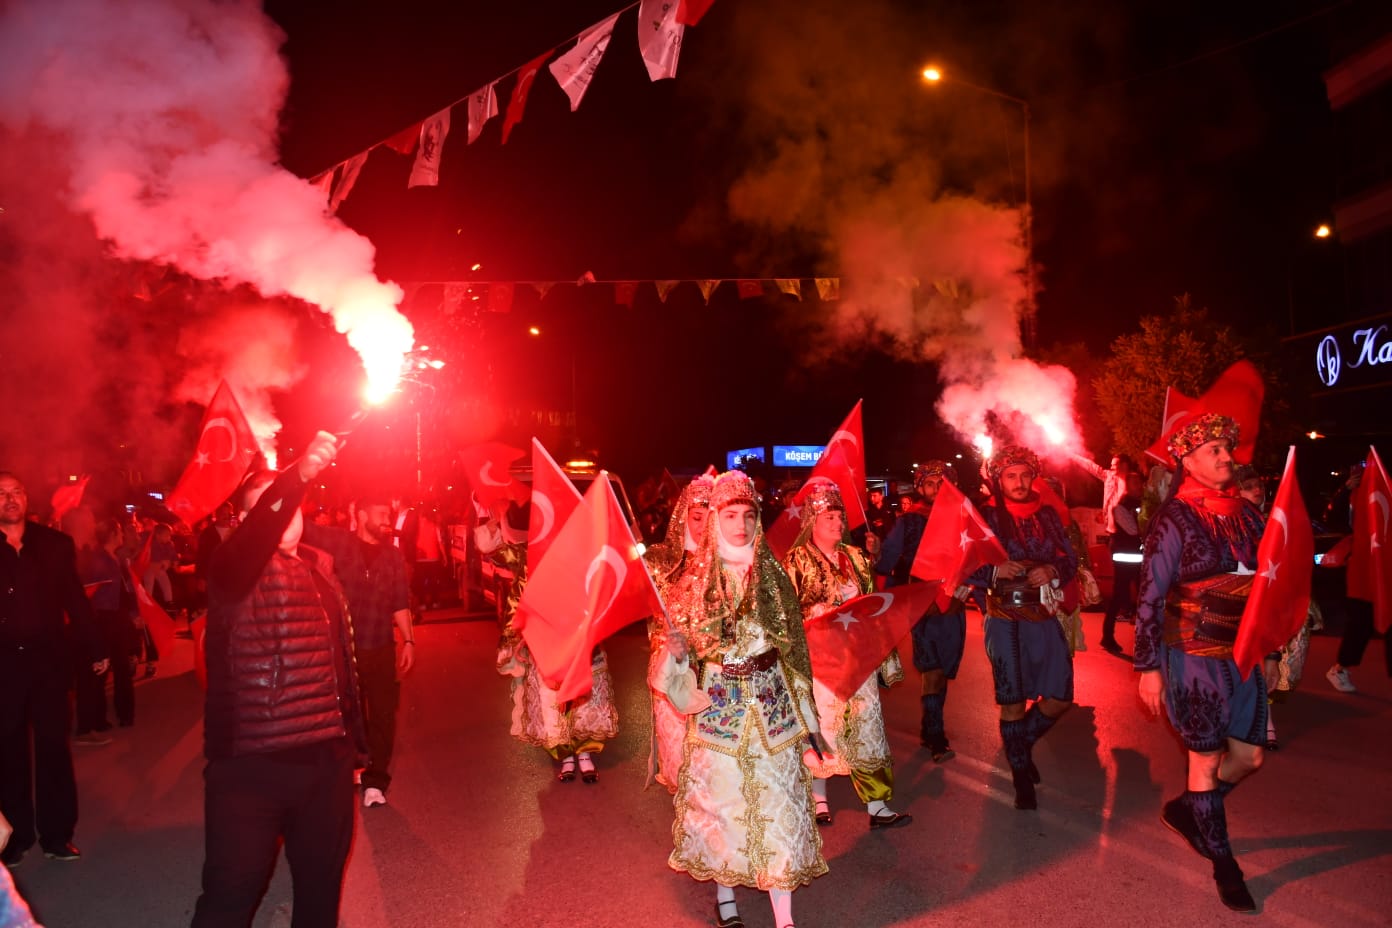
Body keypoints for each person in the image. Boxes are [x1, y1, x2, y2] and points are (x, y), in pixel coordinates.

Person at [191, 433, 366, 928]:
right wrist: (298, 474)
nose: (288, 513)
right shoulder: (232, 569)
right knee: (230, 894)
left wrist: (354, 747)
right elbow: (256, 532)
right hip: (252, 768)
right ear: (248, 521)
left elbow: (341, 665)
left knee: (319, 890)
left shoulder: (320, 570)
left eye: (294, 504)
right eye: (271, 506)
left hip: (325, 765)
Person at [654, 470, 826, 928]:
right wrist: (675, 655)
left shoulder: (775, 580)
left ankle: (784, 917)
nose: (741, 525)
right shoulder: (691, 585)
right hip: (718, 713)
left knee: (781, 809)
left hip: (772, 710)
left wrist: (809, 727)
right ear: (713, 520)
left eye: (749, 515)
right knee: (724, 810)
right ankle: (725, 897)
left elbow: (796, 659)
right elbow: (674, 667)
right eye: (730, 514)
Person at [1134, 413, 1266, 913]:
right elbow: (1149, 594)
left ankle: (1191, 811)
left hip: (1244, 654)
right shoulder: (1176, 518)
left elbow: (1266, 590)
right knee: (1205, 759)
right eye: (1214, 450)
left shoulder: (1250, 515)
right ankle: (1223, 863)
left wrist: (1270, 651)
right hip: (1192, 653)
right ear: (1187, 461)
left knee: (1250, 757)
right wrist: (1147, 666)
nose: (1227, 457)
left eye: (1227, 449)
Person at [784, 477, 910, 829]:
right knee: (822, 725)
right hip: (819, 659)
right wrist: (816, 613)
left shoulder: (856, 557)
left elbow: (872, 604)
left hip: (857, 658)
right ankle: (818, 798)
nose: (838, 525)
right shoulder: (795, 560)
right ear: (812, 522)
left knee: (867, 723)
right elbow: (786, 611)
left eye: (840, 519)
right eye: (830, 519)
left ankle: (877, 804)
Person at [0, 472, 108, 868]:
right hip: (3, 669)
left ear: (27, 498)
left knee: (53, 752)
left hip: (47, 664)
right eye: (1, 494)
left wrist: (96, 647)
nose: (10, 500)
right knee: (7, 754)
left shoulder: (54, 545)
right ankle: (16, 837)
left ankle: (57, 835)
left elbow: (75, 602)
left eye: (16, 492)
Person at [971, 445, 1077, 812]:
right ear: (998, 480)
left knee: (1061, 695)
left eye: (1025, 475)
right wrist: (991, 571)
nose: (1019, 482)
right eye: (1011, 476)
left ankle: (1020, 744)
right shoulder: (983, 516)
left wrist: (1053, 570)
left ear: (1035, 477)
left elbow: (1069, 558)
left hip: (1044, 616)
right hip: (1004, 620)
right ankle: (1020, 776)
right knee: (1013, 702)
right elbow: (961, 563)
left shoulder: (1047, 514)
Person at [482, 501, 618, 784]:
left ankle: (585, 755)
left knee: (585, 699)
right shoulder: (526, 554)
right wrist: (492, 525)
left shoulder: (586, 556)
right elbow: (494, 554)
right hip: (545, 643)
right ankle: (566, 756)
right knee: (552, 700)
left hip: (582, 642)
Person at [302, 498, 415, 808]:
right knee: (348, 715)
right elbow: (303, 529)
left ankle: (376, 781)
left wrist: (409, 641)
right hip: (345, 649)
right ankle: (352, 768)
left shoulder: (392, 556)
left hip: (380, 647)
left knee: (382, 717)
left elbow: (400, 601)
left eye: (388, 515)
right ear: (362, 514)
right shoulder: (339, 542)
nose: (386, 519)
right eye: (381, 513)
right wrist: (287, 489)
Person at [874, 461, 968, 763]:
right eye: (930, 484)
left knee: (945, 668)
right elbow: (888, 557)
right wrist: (877, 561)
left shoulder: (965, 519)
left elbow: (977, 556)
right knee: (932, 670)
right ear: (920, 487)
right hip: (923, 603)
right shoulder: (910, 521)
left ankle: (931, 726)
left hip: (954, 602)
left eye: (943, 484)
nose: (936, 490)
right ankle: (935, 735)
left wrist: (970, 587)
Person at [641, 474, 713, 793]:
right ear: (683, 516)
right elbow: (650, 615)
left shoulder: (724, 565)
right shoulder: (660, 562)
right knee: (679, 756)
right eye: (697, 517)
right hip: (672, 668)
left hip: (712, 670)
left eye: (711, 518)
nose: (703, 526)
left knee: (709, 757)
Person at [74, 516, 139, 737]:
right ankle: (97, 719)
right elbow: (85, 590)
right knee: (100, 671)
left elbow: (127, 589)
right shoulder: (96, 560)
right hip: (101, 618)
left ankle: (125, 713)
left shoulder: (118, 559)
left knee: (122, 666)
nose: (122, 535)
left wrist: (133, 613)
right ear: (112, 534)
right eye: (119, 531)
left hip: (117, 617)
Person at [1099, 471, 1145, 654]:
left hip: (1138, 559)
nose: (1139, 486)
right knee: (1119, 598)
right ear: (1127, 485)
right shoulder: (1120, 507)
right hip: (1125, 559)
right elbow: (1134, 530)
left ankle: (1144, 639)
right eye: (1134, 483)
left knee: (1143, 599)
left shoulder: (1140, 504)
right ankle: (1107, 636)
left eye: (1140, 483)